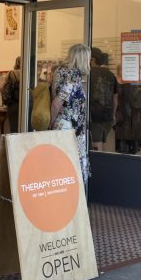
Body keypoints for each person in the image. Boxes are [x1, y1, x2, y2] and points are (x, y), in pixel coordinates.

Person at [50, 43, 91, 183]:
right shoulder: (73, 75)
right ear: (82, 58)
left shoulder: (59, 70)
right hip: (68, 127)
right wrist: (51, 122)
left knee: (59, 165)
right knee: (69, 167)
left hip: (62, 124)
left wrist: (52, 123)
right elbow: (58, 101)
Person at [89, 47, 118, 150]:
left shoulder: (88, 74)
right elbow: (115, 97)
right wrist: (113, 114)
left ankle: (98, 165)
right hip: (108, 115)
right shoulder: (111, 74)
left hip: (95, 115)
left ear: (92, 59)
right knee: (103, 141)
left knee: (96, 144)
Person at [1, 56, 21, 133]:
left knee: (14, 129)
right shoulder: (29, 73)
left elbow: (2, 88)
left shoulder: (11, 73)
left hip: (13, 104)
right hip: (26, 104)